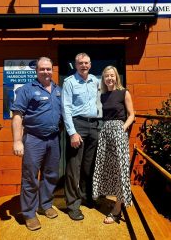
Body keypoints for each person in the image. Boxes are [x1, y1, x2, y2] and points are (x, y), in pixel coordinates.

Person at [11, 57, 62, 231]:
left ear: (52, 69)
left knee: (50, 174)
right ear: (36, 70)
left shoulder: (58, 89)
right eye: (42, 69)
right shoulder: (27, 89)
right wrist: (17, 141)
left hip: (54, 139)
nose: (46, 72)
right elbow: (17, 115)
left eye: (48, 69)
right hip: (33, 139)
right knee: (30, 177)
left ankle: (45, 205)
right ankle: (29, 214)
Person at [92, 65, 134, 224]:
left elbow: (132, 114)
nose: (109, 78)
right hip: (104, 133)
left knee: (120, 169)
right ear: (103, 79)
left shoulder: (124, 92)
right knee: (106, 167)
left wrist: (123, 128)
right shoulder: (101, 95)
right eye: (106, 76)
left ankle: (117, 208)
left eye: (112, 75)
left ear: (116, 77)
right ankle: (110, 198)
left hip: (118, 132)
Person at [61, 52, 99, 221]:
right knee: (73, 167)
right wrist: (72, 132)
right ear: (76, 65)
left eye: (87, 63)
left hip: (94, 126)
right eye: (81, 63)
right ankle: (72, 205)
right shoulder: (69, 82)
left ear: (90, 64)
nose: (84, 65)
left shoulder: (95, 81)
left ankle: (86, 196)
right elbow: (66, 108)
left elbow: (101, 102)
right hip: (78, 125)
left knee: (88, 165)